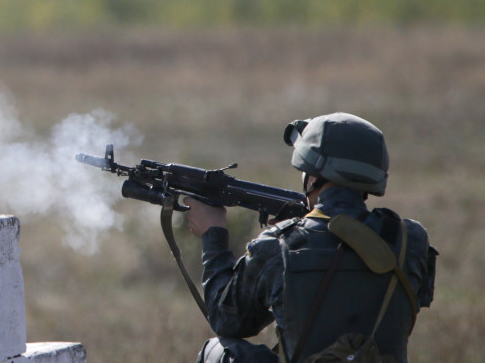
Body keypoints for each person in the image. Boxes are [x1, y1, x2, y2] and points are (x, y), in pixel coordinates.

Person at [186, 112, 437, 363]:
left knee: (217, 352)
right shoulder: (410, 241)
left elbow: (226, 320)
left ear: (313, 175)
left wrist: (213, 233)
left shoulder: (279, 244)